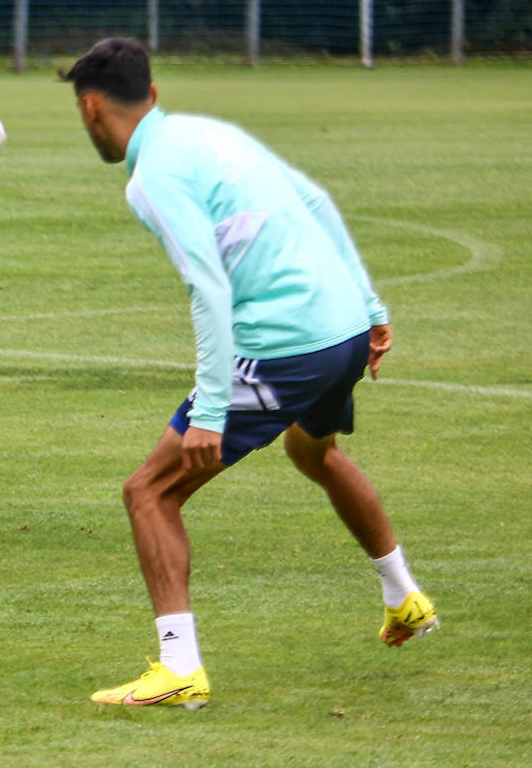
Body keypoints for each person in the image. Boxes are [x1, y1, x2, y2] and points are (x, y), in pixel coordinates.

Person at [65, 37, 438, 709]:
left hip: (287, 345)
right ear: (151, 93)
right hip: (345, 328)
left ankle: (179, 667)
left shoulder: (151, 179)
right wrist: (372, 307)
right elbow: (317, 201)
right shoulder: (209, 133)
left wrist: (210, 408)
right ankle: (402, 592)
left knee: (149, 491)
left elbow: (208, 288)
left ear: (92, 109)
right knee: (312, 449)